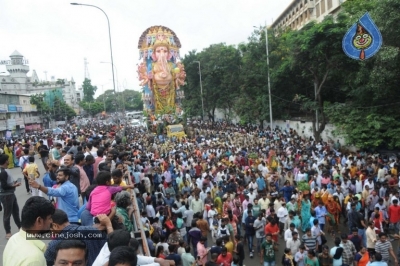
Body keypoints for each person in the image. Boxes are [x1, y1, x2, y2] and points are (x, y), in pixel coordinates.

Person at [45, 209, 109, 266]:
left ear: (55, 226)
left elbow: (45, 262)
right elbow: (109, 249)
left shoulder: (54, 245)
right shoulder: (93, 231)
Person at [3, 196, 55, 266]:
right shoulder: (34, 259)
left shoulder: (14, 238)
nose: (51, 221)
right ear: (39, 221)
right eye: (49, 218)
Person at [0, 154, 22, 239]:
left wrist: (14, 183)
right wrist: (14, 185)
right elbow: (4, 186)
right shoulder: (3, 172)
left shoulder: (5, 170)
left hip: (10, 194)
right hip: (6, 195)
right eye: (8, 160)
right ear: (5, 161)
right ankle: (8, 232)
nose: (9, 161)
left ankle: (20, 227)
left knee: (15, 211)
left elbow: (8, 182)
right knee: (7, 214)